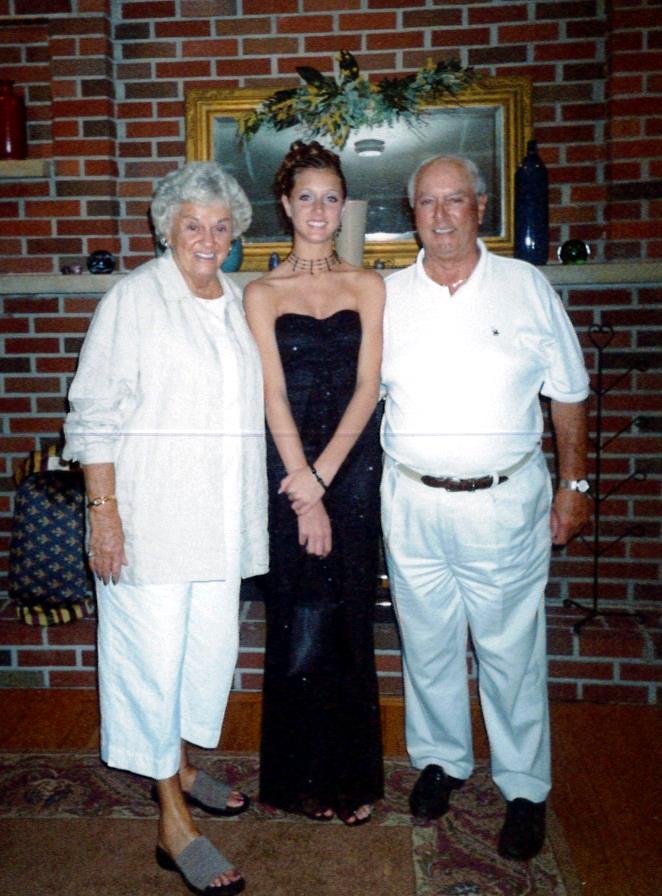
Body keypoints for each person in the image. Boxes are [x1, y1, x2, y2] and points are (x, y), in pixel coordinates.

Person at [63, 162, 268, 896]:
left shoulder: (239, 300)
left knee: (202, 658)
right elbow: (94, 413)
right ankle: (172, 822)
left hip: (218, 522)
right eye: (192, 225)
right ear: (166, 230)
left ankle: (180, 766)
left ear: (236, 234)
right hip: (149, 519)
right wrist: (104, 516)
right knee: (149, 666)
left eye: (221, 226)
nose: (208, 239)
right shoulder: (134, 299)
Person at [380, 154, 591, 861]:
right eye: (427, 202)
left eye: (455, 200)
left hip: (504, 502)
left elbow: (568, 391)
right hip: (411, 499)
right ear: (413, 213)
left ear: (480, 207)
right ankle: (442, 761)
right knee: (427, 641)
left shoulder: (525, 286)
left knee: (510, 650)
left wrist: (574, 485)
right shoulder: (387, 296)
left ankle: (524, 787)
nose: (441, 215)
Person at [244, 140, 385, 826]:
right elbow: (271, 393)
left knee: (349, 615)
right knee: (299, 614)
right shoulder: (262, 292)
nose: (320, 210)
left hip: (352, 469)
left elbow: (369, 387)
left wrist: (324, 479)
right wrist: (301, 484)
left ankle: (352, 777)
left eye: (331, 197)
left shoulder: (369, 284)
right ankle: (297, 776)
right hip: (288, 465)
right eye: (307, 197)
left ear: (344, 205)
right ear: (285, 205)